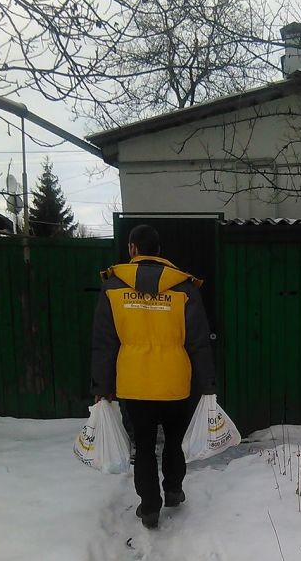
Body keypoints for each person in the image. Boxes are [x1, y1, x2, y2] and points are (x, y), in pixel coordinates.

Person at [90, 224, 216, 529]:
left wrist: (102, 386)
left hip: (134, 383)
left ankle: (149, 506)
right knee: (174, 441)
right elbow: (198, 341)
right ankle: (173, 490)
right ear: (159, 251)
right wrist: (208, 384)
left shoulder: (113, 287)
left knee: (144, 446)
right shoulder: (183, 288)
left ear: (132, 248)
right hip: (175, 382)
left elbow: (104, 342)